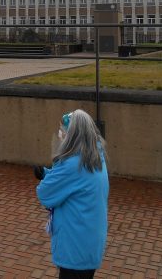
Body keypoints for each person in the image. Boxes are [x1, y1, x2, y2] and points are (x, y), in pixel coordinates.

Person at [35, 110, 109, 279]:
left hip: (74, 247)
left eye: (64, 131)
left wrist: (47, 178)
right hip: (89, 243)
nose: (61, 135)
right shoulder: (95, 157)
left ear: (73, 135)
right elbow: (73, 184)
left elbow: (45, 194)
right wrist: (48, 174)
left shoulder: (72, 164)